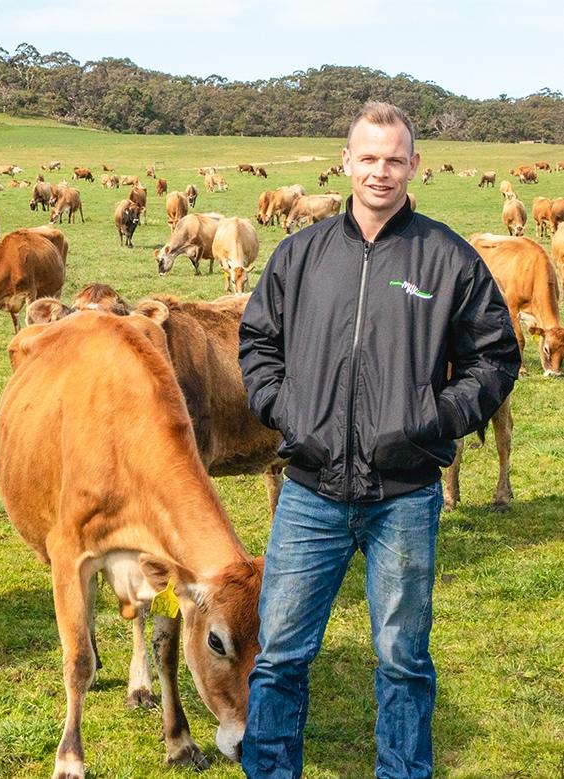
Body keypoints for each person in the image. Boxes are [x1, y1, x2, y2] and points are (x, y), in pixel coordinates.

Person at [238, 101, 521, 779]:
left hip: (405, 494)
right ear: (346, 161)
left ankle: (402, 770)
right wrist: (287, 411)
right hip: (310, 491)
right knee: (279, 655)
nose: (380, 172)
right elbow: (257, 343)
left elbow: (495, 356)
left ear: (413, 165)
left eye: (394, 159)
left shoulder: (445, 255)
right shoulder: (301, 254)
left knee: (402, 658)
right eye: (368, 157)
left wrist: (432, 417)